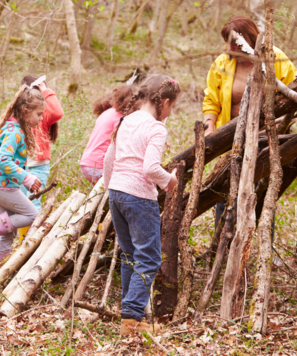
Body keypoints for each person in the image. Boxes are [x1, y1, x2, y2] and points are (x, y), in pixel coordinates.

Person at [203, 15, 297, 231]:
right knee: (225, 190)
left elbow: (294, 94)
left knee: (259, 193)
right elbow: (211, 99)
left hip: (265, 139)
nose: (231, 47)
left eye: (235, 42)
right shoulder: (222, 63)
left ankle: (261, 248)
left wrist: (279, 125)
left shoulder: (277, 59)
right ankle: (222, 243)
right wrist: (210, 126)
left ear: (250, 38)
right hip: (229, 139)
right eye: (228, 42)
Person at [103, 74, 181, 335]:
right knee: (148, 258)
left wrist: (111, 189)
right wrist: (168, 181)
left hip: (117, 193)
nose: (170, 112)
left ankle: (133, 317)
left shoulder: (127, 120)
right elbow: (150, 167)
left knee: (129, 257)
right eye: (172, 107)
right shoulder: (156, 128)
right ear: (165, 102)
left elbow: (108, 159)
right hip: (139, 197)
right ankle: (132, 318)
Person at [0, 83, 44, 262]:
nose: (41, 118)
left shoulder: (12, 128)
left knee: (8, 229)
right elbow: (3, 160)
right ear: (26, 111)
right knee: (32, 215)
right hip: (3, 187)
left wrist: (26, 178)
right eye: (39, 114)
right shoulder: (15, 132)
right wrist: (27, 178)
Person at [18, 74, 64, 210]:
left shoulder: (42, 115)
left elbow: (57, 112)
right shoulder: (21, 113)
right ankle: (22, 231)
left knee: (32, 202)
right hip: (21, 167)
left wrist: (45, 91)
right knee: (20, 201)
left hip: (38, 167)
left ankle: (33, 230)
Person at [79, 84, 138, 184]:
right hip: (99, 166)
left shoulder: (108, 112)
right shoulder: (120, 118)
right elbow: (123, 146)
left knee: (102, 195)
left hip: (87, 163)